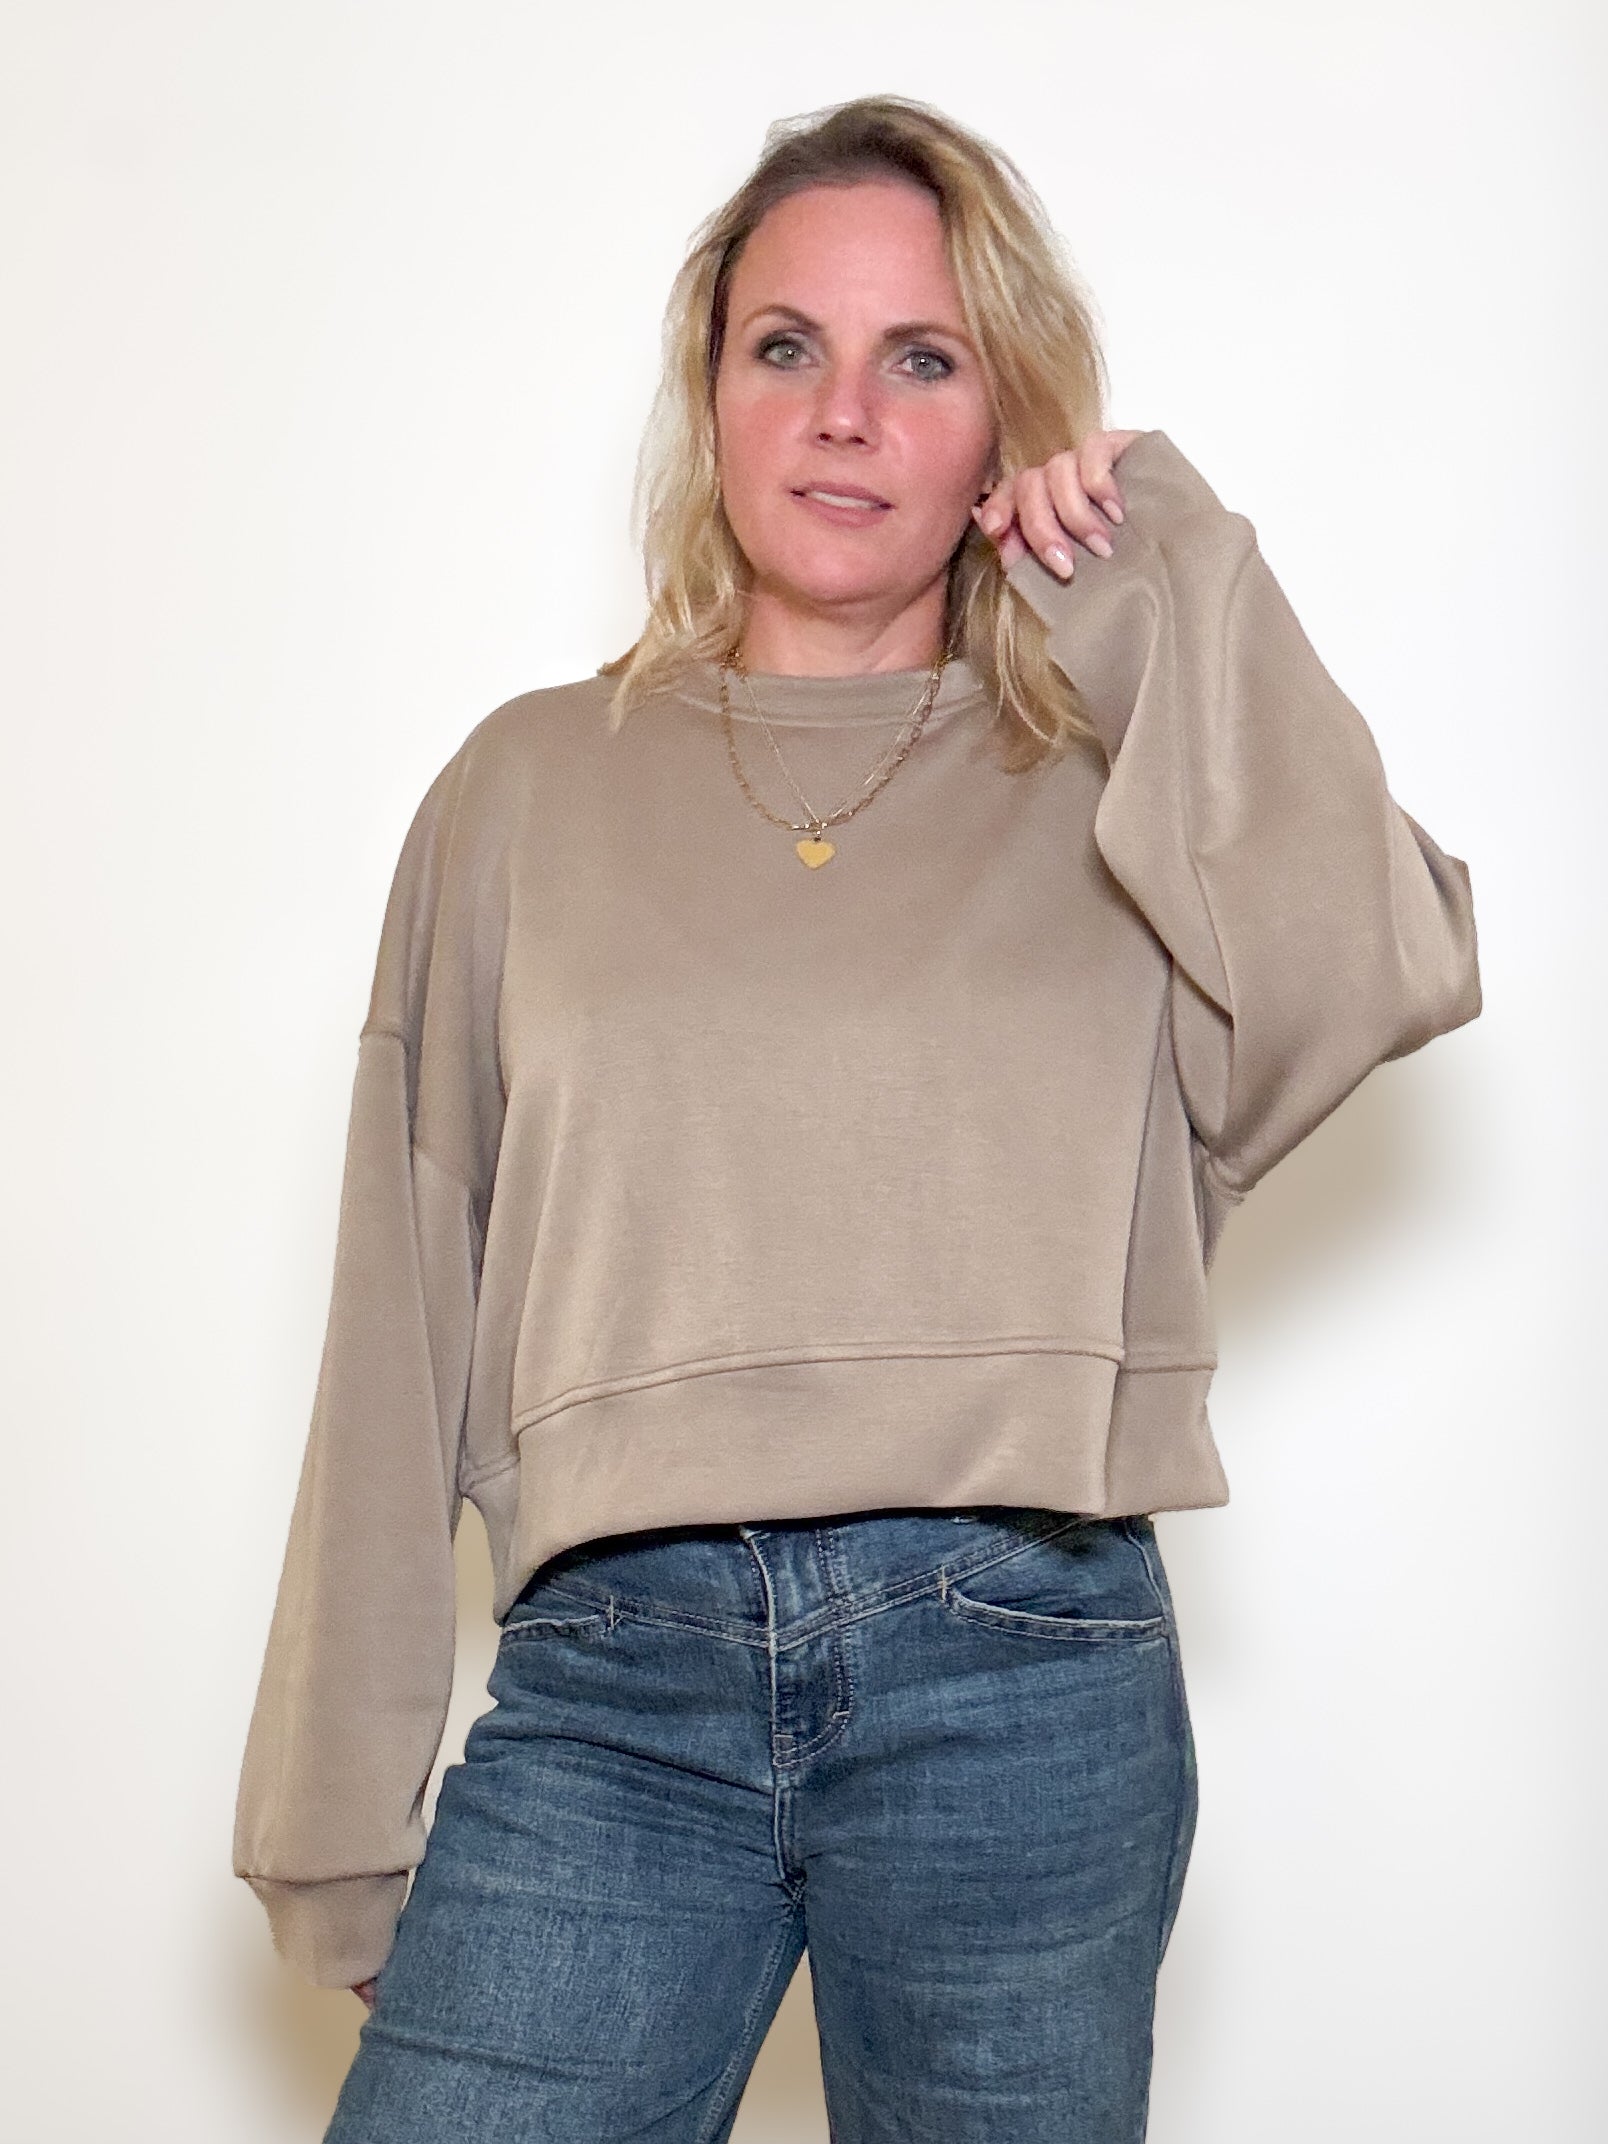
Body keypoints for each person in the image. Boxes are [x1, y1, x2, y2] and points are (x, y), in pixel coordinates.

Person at [232, 92, 1481, 2142]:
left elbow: (1386, 964)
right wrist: (329, 1810)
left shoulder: (1118, 789)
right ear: (710, 394)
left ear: (1004, 425)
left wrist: (1169, 582)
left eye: (923, 360)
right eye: (786, 346)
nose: (843, 414)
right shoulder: (524, 791)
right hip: (610, 1686)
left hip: (1023, 1669)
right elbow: (400, 1310)